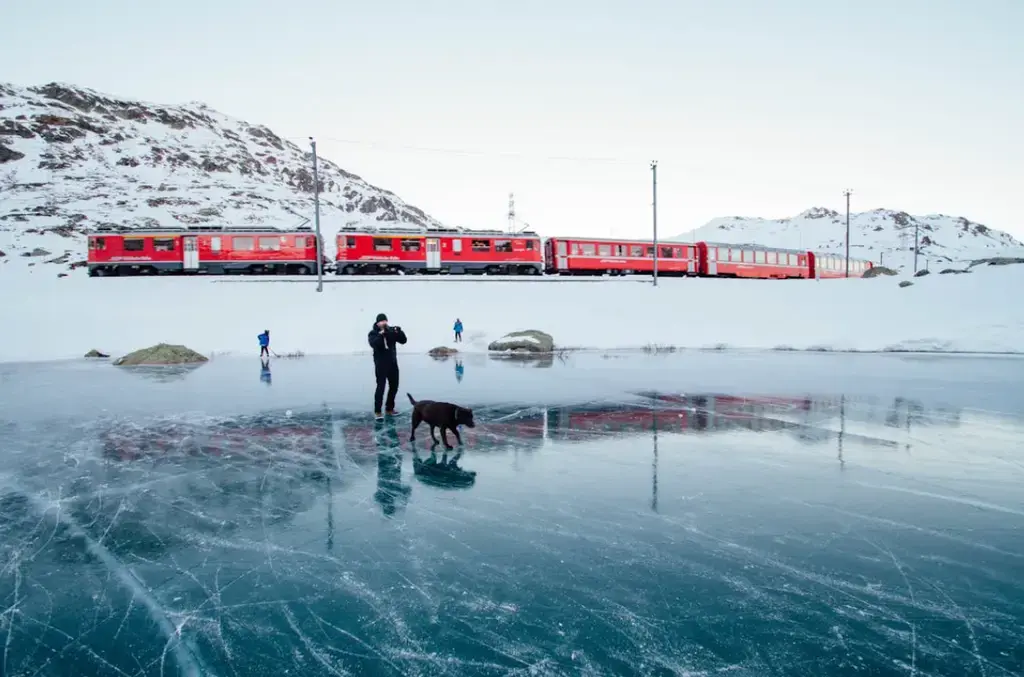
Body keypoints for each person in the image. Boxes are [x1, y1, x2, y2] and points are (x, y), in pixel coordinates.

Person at [368, 312, 407, 418]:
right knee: (381, 387)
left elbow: (403, 340)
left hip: (393, 363)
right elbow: (375, 344)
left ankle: (389, 409)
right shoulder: (373, 333)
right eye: (381, 321)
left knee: (394, 386)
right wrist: (381, 334)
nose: (383, 322)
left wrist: (399, 332)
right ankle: (378, 411)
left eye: (385, 320)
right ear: (377, 323)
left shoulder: (390, 331)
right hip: (381, 365)